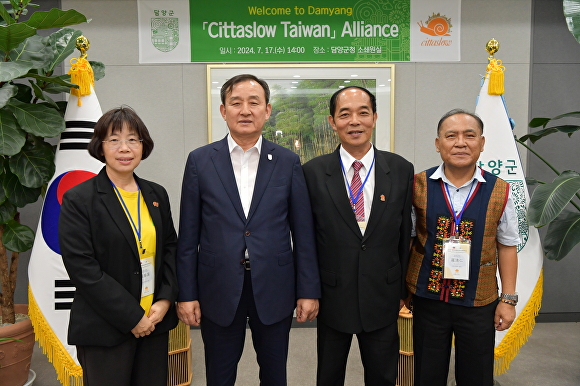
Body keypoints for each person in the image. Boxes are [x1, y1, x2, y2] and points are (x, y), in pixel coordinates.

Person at [176, 74, 321, 386]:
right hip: (218, 286)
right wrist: (186, 293)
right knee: (219, 374)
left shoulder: (287, 161)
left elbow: (303, 234)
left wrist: (308, 290)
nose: (245, 110)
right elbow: (187, 237)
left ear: (267, 111)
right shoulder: (200, 161)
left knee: (273, 374)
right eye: (236, 103)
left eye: (253, 103)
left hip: (274, 285)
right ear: (223, 110)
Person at [302, 86, 414, 385]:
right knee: (329, 373)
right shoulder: (312, 172)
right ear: (332, 121)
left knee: (383, 374)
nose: (355, 121)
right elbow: (306, 239)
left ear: (374, 118)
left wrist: (403, 286)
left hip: (383, 292)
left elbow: (405, 235)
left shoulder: (401, 169)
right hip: (332, 293)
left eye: (363, 113)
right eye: (345, 114)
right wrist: (308, 289)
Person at [59, 106, 178, 386]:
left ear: (143, 146)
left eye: (133, 139)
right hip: (105, 327)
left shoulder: (156, 193)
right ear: (100, 147)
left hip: (154, 322)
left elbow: (171, 249)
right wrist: (132, 317)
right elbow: (82, 268)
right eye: (114, 140)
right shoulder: (80, 198)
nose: (124, 148)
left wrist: (164, 299)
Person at [406, 108, 519, 386]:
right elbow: (408, 241)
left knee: (477, 374)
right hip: (427, 298)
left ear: (481, 143)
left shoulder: (501, 191)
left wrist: (508, 299)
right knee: (426, 373)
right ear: (438, 144)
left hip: (479, 301)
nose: (460, 143)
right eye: (451, 135)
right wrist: (402, 292)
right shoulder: (417, 185)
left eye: (469, 135)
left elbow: (507, 246)